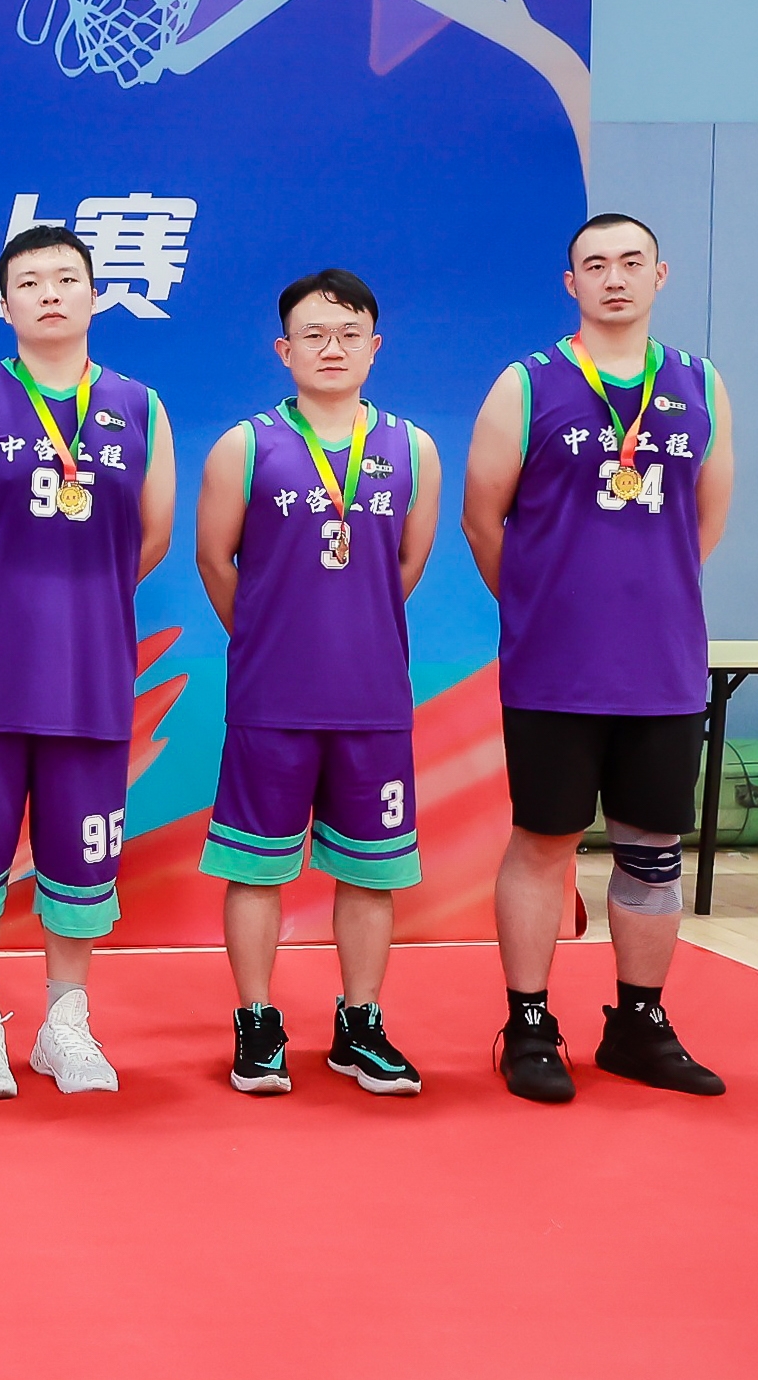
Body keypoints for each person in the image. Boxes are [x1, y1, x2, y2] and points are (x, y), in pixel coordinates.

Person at [0, 224, 175, 1098]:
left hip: (91, 677)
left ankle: (66, 1023)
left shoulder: (141, 406)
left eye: (65, 278)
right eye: (29, 282)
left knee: (82, 855)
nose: (49, 294)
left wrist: (78, 605)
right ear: (2, 303)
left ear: (95, 294)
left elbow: (152, 537)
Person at [463, 213, 735, 1102]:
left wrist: (645, 601)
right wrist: (546, 606)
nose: (613, 278)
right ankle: (529, 1024)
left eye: (630, 262)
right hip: (555, 667)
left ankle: (638, 1024)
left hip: (662, 667)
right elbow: (482, 519)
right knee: (545, 840)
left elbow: (704, 521)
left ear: (660, 275)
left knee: (652, 847)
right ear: (570, 283)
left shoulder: (701, 384)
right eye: (594, 264)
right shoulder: (528, 384)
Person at [194, 269, 441, 1097]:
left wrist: (352, 634)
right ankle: (257, 1021)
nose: (331, 348)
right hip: (272, 701)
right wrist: (270, 638)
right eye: (313, 335)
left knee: (372, 871)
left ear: (375, 346)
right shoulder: (246, 446)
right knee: (257, 869)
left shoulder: (413, 449)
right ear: (284, 350)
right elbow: (215, 560)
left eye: (348, 334)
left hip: (374, 701)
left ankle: (359, 1024)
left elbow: (403, 567)